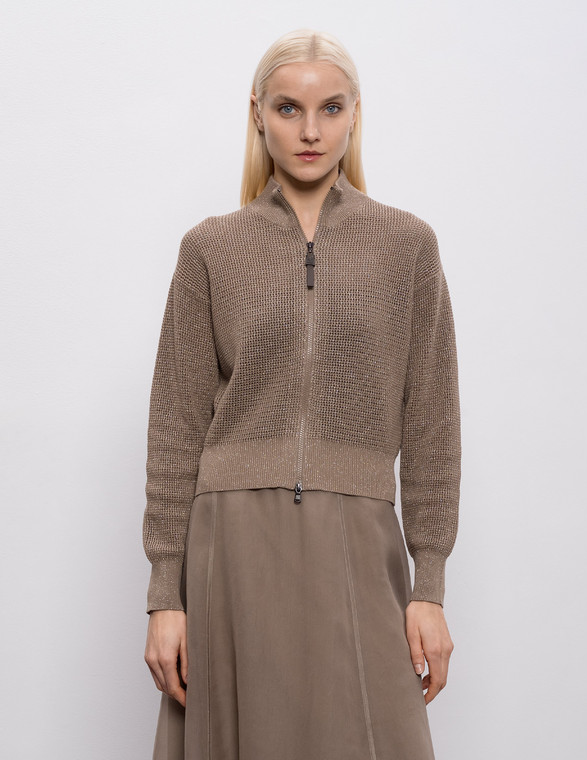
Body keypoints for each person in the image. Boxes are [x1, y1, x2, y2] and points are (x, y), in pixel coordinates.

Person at [142, 27, 461, 760]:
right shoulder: (211, 248)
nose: (310, 131)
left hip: (360, 539)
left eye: (330, 108)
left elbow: (433, 422)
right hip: (231, 547)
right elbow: (175, 427)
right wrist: (165, 595)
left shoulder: (407, 245)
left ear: (355, 114)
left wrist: (430, 585)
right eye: (289, 108)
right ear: (257, 113)